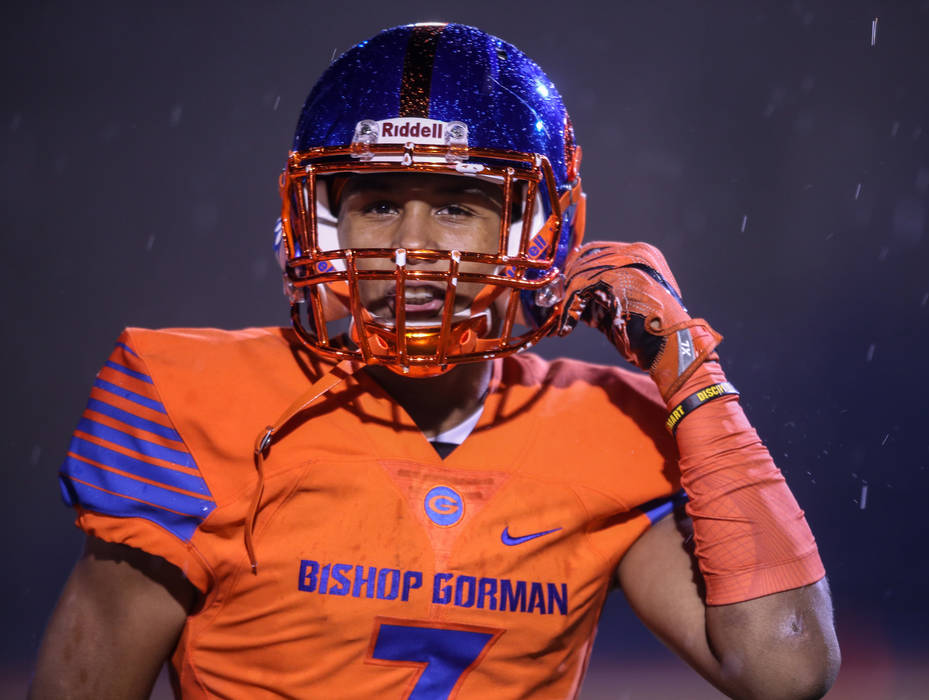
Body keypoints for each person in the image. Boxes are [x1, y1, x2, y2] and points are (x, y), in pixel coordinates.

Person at [31, 22, 840, 699]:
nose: (412, 249)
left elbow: (787, 668)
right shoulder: (195, 401)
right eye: (379, 203)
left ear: (533, 230)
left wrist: (691, 372)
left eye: (457, 206)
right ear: (321, 221)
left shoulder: (612, 425)